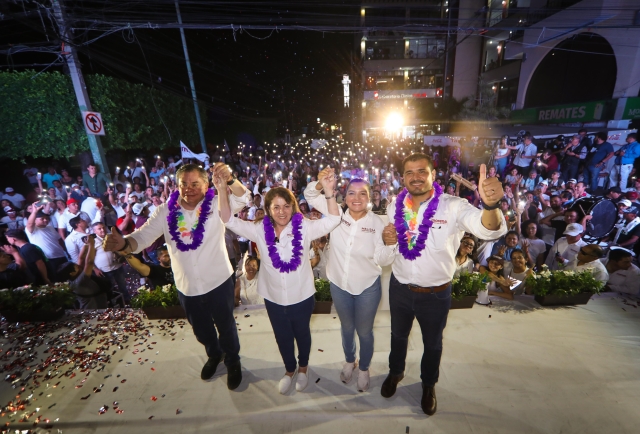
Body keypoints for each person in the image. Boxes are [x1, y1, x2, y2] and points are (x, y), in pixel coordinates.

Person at [380, 154, 507, 415]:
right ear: (402, 178)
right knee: (397, 337)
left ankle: (428, 385)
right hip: (400, 288)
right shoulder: (395, 205)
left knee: (433, 343)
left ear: (433, 175)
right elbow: (392, 239)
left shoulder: (453, 206)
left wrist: (491, 205)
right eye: (409, 172)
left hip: (436, 294)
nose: (415, 177)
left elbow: (488, 229)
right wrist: (388, 237)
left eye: (422, 171)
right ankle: (395, 373)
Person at [103, 163, 249, 390]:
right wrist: (124, 243)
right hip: (187, 285)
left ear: (206, 184)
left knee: (226, 325)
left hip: (218, 281)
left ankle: (233, 360)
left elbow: (244, 198)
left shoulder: (217, 202)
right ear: (176, 185)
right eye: (184, 184)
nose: (189, 189)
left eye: (195, 184)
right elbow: (141, 238)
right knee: (201, 328)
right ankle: (214, 354)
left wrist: (230, 180)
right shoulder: (165, 211)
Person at [219, 174, 340, 395]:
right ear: (267, 209)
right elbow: (228, 220)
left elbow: (333, 220)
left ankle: (303, 368)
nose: (282, 211)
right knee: (282, 335)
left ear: (293, 207)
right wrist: (221, 187)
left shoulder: (305, 227)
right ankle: (289, 369)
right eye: (276, 207)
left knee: (302, 333)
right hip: (273, 296)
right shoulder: (258, 230)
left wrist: (329, 191)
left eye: (286, 206)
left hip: (302, 295)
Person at [304, 176, 396, 392]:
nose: (357, 198)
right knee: (346, 328)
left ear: (370, 196)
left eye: (362, 193)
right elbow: (309, 195)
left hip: (367, 288)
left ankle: (363, 368)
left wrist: (391, 246)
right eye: (352, 193)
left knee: (364, 331)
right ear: (344, 197)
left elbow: (382, 260)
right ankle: (349, 360)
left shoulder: (376, 223)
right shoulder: (334, 212)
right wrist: (322, 185)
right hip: (339, 284)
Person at [57, 235, 109, 309]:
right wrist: (91, 244)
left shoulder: (74, 275)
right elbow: (89, 263)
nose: (78, 266)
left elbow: (81, 258)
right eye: (75, 266)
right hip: (93, 310)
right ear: (71, 273)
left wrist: (86, 244)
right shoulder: (79, 282)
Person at [92, 222, 130, 303]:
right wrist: (95, 269)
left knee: (122, 285)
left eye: (103, 227)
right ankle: (114, 303)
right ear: (94, 231)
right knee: (110, 288)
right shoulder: (93, 242)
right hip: (104, 270)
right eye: (99, 229)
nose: (102, 230)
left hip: (117, 267)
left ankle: (127, 301)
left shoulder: (112, 237)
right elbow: (89, 258)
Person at [25, 205, 68, 275]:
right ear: (35, 220)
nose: (45, 220)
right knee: (56, 278)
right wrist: (34, 212)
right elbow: (30, 223)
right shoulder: (31, 230)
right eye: (42, 219)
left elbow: (59, 240)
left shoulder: (50, 227)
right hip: (48, 259)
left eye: (46, 218)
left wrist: (66, 250)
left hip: (61, 256)